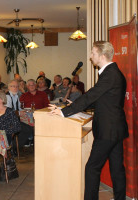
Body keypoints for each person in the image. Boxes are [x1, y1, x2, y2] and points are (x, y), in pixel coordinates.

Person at [49, 41, 128, 200]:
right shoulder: (112, 73)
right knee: (117, 169)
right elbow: (102, 98)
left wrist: (65, 112)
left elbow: (92, 95)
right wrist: (76, 105)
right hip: (115, 129)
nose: (91, 56)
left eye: (93, 53)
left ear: (102, 55)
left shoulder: (110, 74)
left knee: (92, 168)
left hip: (108, 130)